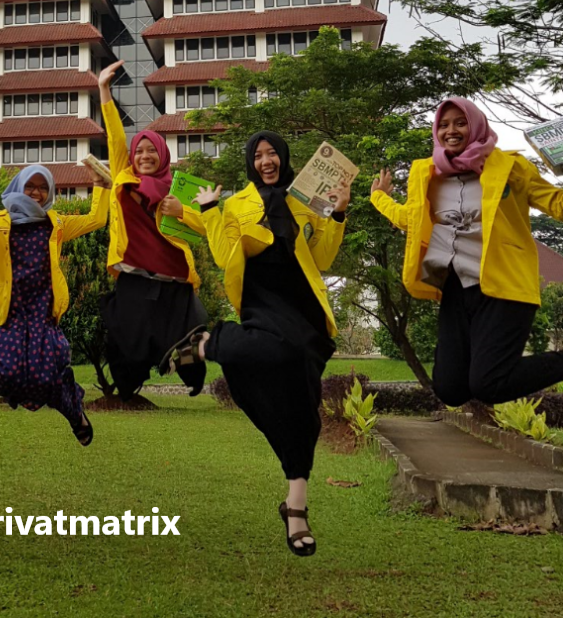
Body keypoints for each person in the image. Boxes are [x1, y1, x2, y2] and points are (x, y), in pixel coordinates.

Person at [161, 132, 350, 556]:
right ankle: (214, 342)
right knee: (272, 355)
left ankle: (295, 506)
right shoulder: (236, 205)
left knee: (304, 409)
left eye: (273, 154)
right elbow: (227, 256)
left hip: (303, 306)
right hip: (262, 302)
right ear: (251, 162)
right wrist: (209, 211)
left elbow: (321, 258)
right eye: (259, 156)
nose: (267, 161)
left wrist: (337, 215)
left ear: (284, 158)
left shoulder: (307, 199)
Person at [371, 97, 563, 407]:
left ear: (475, 126)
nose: (452, 131)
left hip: (505, 288)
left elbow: (555, 202)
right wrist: (379, 199)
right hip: (456, 289)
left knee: (489, 384)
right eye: (444, 125)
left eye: (460, 123)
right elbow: (413, 219)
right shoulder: (428, 174)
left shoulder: (510, 166)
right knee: (450, 389)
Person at [0, 162, 109, 444]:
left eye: (43, 188)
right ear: (19, 186)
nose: (36, 193)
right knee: (2, 365)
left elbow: (96, 220)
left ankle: (74, 412)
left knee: (49, 372)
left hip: (43, 308)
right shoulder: (0, 223)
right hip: (9, 308)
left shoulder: (56, 224)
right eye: (30, 186)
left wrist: (100, 186)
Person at [97, 60, 208, 400]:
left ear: (162, 155)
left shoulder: (179, 187)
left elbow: (205, 227)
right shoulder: (123, 178)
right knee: (125, 336)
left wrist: (183, 211)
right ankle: (130, 385)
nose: (144, 156)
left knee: (192, 334)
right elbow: (116, 137)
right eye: (139, 151)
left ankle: (188, 372)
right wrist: (104, 90)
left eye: (151, 151)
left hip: (174, 277)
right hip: (134, 275)